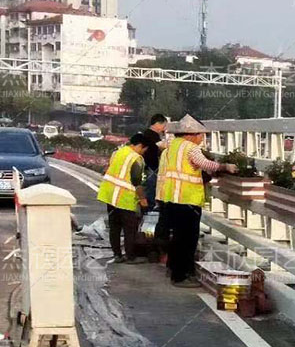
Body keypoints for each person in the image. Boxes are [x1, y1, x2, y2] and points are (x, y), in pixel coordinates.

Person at [159, 114, 237, 287]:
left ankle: (173, 269)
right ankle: (181, 276)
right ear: (191, 134)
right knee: (188, 239)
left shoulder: (172, 146)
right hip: (188, 199)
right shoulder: (191, 148)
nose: (202, 139)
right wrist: (224, 167)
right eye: (201, 135)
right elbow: (205, 164)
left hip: (173, 197)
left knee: (177, 237)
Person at [96, 133, 151, 264]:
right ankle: (130, 256)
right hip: (125, 198)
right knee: (129, 228)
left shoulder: (118, 152)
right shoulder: (136, 159)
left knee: (114, 227)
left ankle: (117, 255)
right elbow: (137, 181)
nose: (143, 153)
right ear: (139, 146)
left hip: (110, 196)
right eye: (144, 150)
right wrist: (142, 200)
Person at [142, 114, 168, 207]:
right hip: (151, 165)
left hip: (150, 165)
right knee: (151, 185)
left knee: (151, 186)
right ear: (157, 124)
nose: (163, 128)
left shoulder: (148, 133)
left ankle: (150, 204)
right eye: (163, 126)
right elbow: (162, 146)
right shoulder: (151, 135)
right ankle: (150, 205)